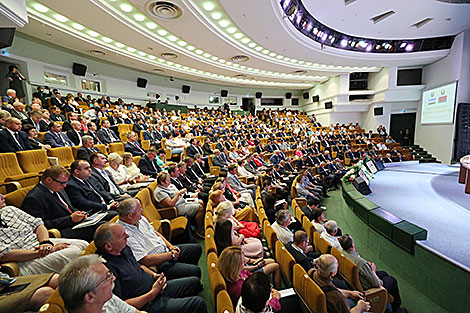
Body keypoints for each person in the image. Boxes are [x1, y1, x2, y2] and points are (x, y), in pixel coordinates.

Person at [94, 223, 207, 313]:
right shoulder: (105, 270)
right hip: (149, 303)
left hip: (157, 287)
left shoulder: (124, 248)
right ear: (108, 246)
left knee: (195, 282)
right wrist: (152, 293)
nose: (127, 236)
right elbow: (122, 305)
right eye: (123, 235)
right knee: (198, 303)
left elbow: (139, 265)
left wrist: (154, 275)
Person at [0, 193, 88, 276]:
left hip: (39, 243)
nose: (3, 196)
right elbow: (5, 255)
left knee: (84, 244)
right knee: (75, 253)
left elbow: (38, 225)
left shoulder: (9, 209)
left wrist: (45, 242)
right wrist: (43, 251)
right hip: (24, 259)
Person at [21, 165, 117, 242]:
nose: (65, 186)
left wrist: (80, 214)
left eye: (65, 183)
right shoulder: (34, 198)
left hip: (75, 222)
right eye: (62, 183)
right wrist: (70, 219)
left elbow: (69, 207)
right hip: (62, 230)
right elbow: (40, 225)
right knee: (103, 227)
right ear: (49, 180)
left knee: (111, 215)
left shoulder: (58, 188)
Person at [117, 198, 202, 280]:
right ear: (130, 216)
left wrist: (170, 246)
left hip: (166, 250)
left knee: (196, 249)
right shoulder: (123, 234)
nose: (142, 211)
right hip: (159, 263)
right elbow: (145, 260)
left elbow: (156, 233)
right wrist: (170, 255)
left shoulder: (140, 219)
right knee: (195, 271)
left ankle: (184, 274)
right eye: (139, 209)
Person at [58, 254, 145, 313]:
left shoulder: (107, 300)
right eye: (107, 277)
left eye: (110, 273)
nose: (113, 278)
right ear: (90, 297)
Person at [339, 234, 402, 311]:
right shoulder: (361, 263)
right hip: (368, 288)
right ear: (352, 246)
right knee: (392, 280)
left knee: (383, 274)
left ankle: (387, 299)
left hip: (355, 282)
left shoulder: (342, 253)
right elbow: (377, 284)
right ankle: (396, 308)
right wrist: (372, 270)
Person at [218, 246, 283, 309]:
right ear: (235, 266)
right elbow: (259, 307)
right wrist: (275, 298)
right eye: (242, 262)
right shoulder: (238, 289)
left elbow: (249, 274)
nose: (244, 264)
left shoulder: (238, 272)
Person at [153, 171, 205, 238]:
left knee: (201, 202)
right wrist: (178, 194)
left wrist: (188, 195)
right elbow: (170, 204)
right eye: (168, 180)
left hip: (182, 201)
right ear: (162, 182)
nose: (170, 182)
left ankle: (198, 226)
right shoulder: (159, 192)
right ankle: (199, 230)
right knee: (200, 208)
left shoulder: (168, 186)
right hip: (175, 209)